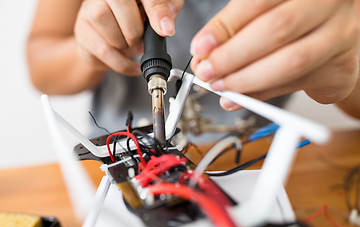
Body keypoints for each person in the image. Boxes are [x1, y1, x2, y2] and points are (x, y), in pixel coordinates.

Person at [27, 0, 360, 139]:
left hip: (251, 157)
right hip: (118, 158)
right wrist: (88, 51)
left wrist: (344, 70)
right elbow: (40, 63)